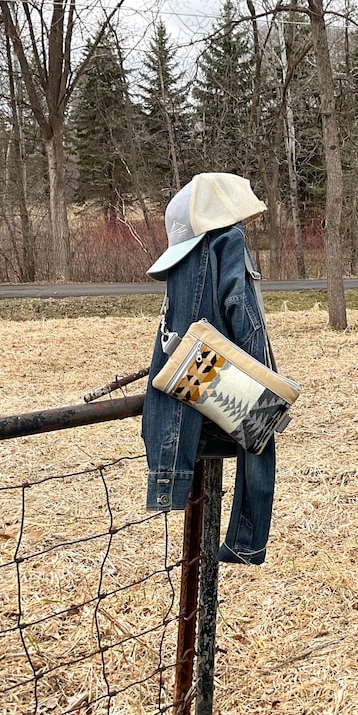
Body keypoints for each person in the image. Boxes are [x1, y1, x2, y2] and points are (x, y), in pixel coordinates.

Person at [142, 172, 276, 565]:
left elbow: (171, 337)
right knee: (261, 431)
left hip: (179, 425)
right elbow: (245, 316)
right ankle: (246, 540)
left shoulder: (182, 257)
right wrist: (266, 388)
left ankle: (171, 486)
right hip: (225, 388)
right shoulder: (227, 241)